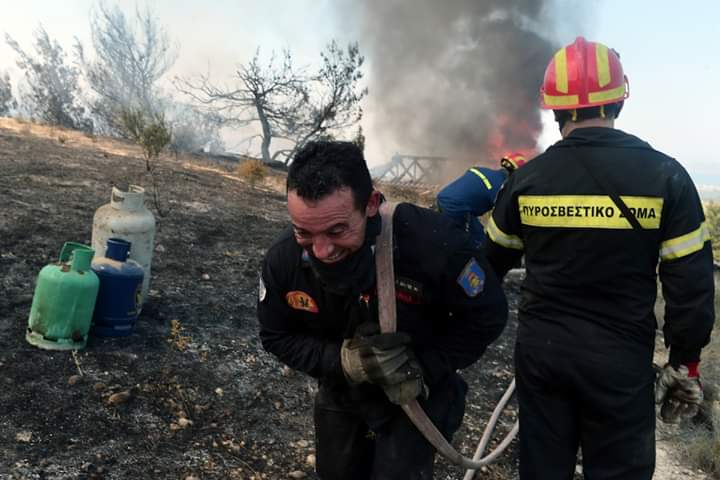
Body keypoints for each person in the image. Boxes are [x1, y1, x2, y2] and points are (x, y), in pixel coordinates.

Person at [484, 36, 715, 479]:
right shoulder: (667, 177)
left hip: (542, 358)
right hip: (619, 362)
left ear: (554, 108)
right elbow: (691, 285)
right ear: (619, 101)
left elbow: (488, 266)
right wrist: (684, 362)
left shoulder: (527, 180)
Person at [257, 140, 508, 480]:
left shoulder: (434, 245)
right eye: (304, 232)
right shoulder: (283, 261)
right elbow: (276, 335)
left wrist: (427, 366)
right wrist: (341, 362)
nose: (321, 250)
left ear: (371, 204)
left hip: (417, 397)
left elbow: (488, 315)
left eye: (337, 230)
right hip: (342, 391)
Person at [436, 152, 526, 247]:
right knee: (479, 243)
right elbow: (502, 216)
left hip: (442, 197)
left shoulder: (480, 170)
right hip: (457, 208)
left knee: (453, 236)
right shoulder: (500, 187)